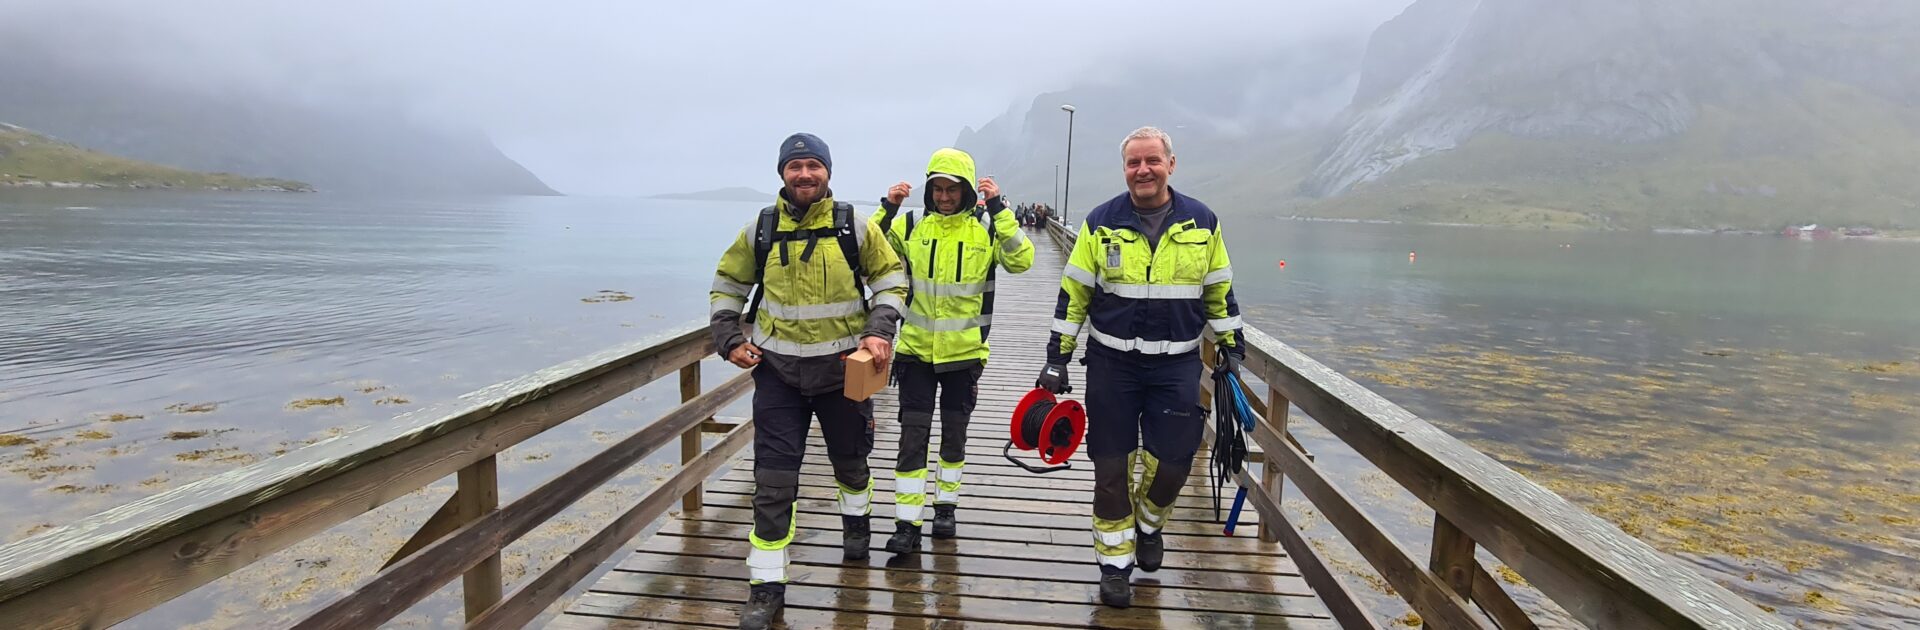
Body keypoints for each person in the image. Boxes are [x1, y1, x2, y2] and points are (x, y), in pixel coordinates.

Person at [708, 132, 910, 630]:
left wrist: (880, 330)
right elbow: (727, 285)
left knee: (852, 463)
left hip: (843, 372)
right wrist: (728, 338)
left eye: (813, 166)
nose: (804, 174)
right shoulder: (760, 229)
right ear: (782, 173)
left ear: (827, 172)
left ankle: (857, 527)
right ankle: (766, 586)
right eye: (794, 166)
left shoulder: (854, 226)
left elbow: (891, 279)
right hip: (777, 375)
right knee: (772, 483)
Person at [1034, 126, 1241, 608]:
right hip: (1112, 366)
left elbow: (1219, 290)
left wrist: (1231, 345)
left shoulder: (1203, 222)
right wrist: (1056, 357)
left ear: (1171, 164)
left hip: (1177, 366)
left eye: (1152, 161)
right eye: (1133, 162)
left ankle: (1148, 525)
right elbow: (1074, 294)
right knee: (1111, 468)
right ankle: (1114, 564)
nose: (1143, 170)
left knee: (1173, 464)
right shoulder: (1100, 222)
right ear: (1124, 168)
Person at [873, 148, 1034, 555]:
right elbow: (866, 250)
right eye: (937, 189)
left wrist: (999, 210)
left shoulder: (986, 228)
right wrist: (888, 208)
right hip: (915, 352)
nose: (944, 197)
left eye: (952, 189)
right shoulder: (911, 225)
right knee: (912, 438)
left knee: (953, 435)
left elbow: (1022, 260)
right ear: (929, 190)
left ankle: (945, 507)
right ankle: (907, 523)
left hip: (964, 354)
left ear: (966, 191)